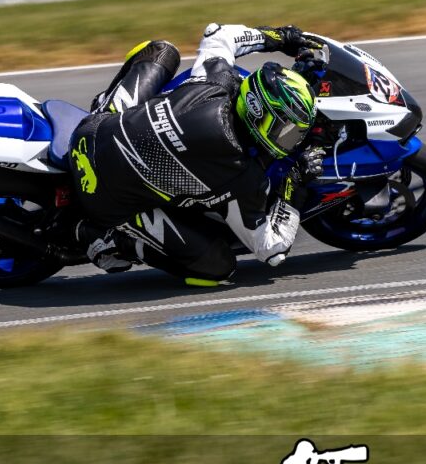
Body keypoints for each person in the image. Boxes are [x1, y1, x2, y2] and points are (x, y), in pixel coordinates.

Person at [70, 23, 327, 286]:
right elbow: (271, 250)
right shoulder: (242, 174)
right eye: (285, 130)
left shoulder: (216, 80)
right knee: (218, 267)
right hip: (104, 198)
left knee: (161, 51)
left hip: (91, 130)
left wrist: (280, 37)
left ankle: (104, 103)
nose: (292, 141)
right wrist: (293, 186)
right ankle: (108, 239)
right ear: (258, 113)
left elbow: (218, 34)